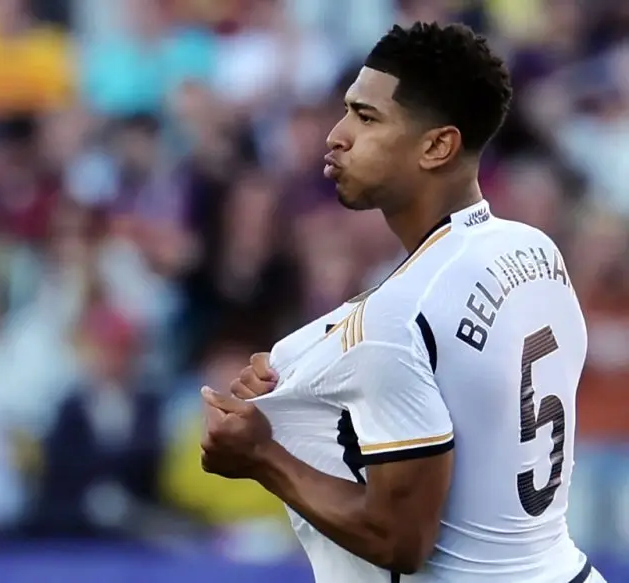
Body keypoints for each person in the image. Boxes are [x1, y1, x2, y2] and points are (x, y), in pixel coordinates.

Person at [200, 22, 605, 583]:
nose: (336, 135)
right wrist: (297, 384)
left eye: (366, 118)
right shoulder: (534, 248)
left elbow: (399, 538)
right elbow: (460, 381)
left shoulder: (398, 317)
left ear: (437, 146)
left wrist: (262, 455)